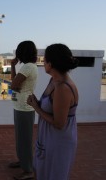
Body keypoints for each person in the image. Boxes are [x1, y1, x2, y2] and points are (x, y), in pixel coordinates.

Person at [27, 43, 79, 180]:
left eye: (44, 60)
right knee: (41, 171)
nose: (43, 63)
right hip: (48, 137)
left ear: (50, 64)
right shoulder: (53, 81)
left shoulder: (63, 88)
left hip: (58, 141)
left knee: (54, 175)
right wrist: (37, 102)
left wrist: (36, 108)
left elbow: (59, 123)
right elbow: (50, 106)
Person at [9, 40, 38, 180]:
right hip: (19, 106)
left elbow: (13, 85)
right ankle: (22, 161)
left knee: (25, 140)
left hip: (25, 108)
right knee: (20, 138)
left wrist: (14, 85)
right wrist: (12, 66)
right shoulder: (28, 66)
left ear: (22, 52)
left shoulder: (28, 67)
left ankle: (28, 170)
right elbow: (14, 83)